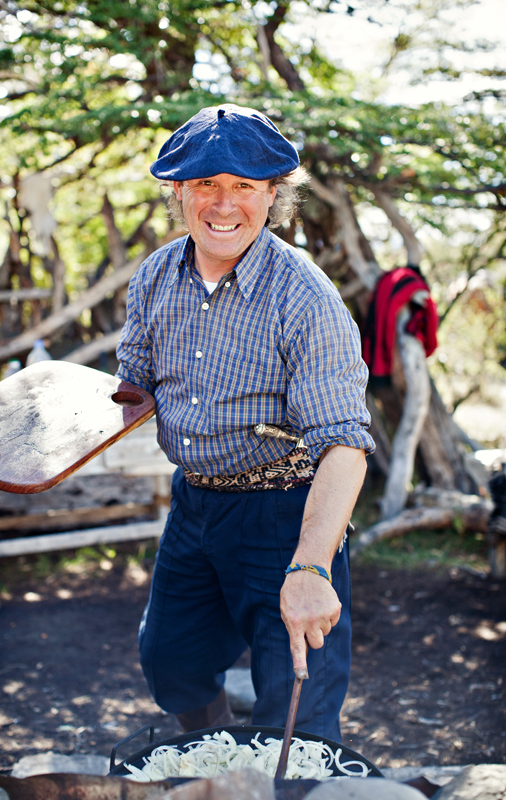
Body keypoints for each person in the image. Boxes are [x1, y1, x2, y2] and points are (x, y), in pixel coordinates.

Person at [116, 104, 375, 740]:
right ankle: (212, 757)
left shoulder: (304, 296)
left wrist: (311, 567)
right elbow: (134, 385)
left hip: (286, 510)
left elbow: (345, 444)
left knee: (296, 705)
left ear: (272, 196)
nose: (223, 204)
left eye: (244, 187)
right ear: (180, 193)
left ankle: (281, 776)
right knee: (169, 663)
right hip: (195, 506)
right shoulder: (155, 276)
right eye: (205, 184)